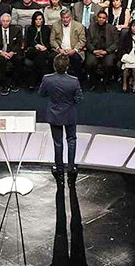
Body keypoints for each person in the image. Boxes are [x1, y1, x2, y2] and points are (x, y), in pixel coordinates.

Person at [40, 54, 83, 182]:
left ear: (54, 66)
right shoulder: (74, 81)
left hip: (54, 115)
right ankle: (71, 168)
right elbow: (79, 99)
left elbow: (42, 93)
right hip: (69, 114)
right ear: (67, 67)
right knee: (71, 140)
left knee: (57, 143)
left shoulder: (47, 79)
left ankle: (59, 169)